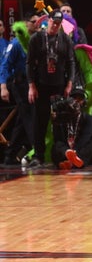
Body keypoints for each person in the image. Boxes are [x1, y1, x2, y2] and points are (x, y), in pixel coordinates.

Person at [26, 10, 75, 167]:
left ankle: (59, 156)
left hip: (59, 85)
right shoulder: (37, 38)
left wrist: (69, 83)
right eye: (53, 22)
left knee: (59, 123)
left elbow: (71, 62)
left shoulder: (65, 40)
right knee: (40, 122)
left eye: (59, 23)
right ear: (48, 20)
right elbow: (29, 63)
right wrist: (31, 85)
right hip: (41, 85)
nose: (55, 25)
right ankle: (38, 156)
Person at [0, 13, 40, 164]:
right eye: (34, 21)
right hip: (20, 84)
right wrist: (3, 87)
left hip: (34, 84)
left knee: (23, 120)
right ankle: (37, 152)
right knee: (30, 116)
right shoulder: (16, 43)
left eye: (39, 21)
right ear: (25, 23)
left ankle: (9, 155)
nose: (37, 24)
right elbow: (5, 65)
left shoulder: (38, 42)